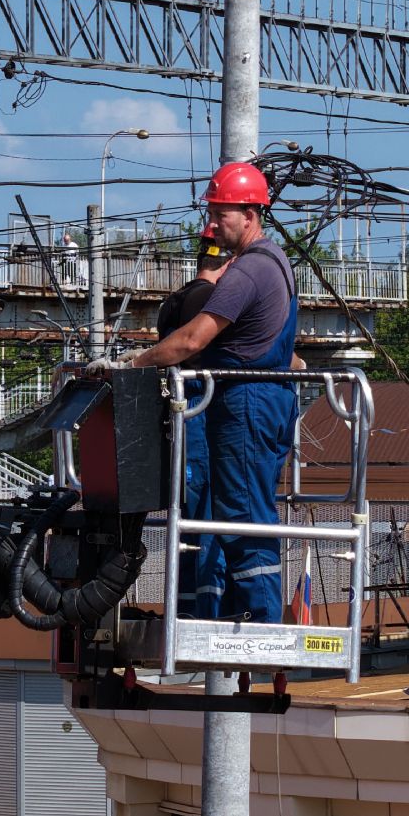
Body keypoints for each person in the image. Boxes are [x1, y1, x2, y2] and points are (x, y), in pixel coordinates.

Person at [127, 161, 298, 622]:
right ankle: (244, 612)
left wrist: (131, 365)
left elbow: (191, 340)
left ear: (250, 212)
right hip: (256, 401)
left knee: (242, 514)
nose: (214, 223)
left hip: (246, 403)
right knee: (238, 510)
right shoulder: (275, 263)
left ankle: (260, 620)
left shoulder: (246, 274)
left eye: (221, 213)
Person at [156, 222, 233, 617]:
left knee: (186, 517)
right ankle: (210, 609)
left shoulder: (175, 300)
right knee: (210, 517)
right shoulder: (210, 300)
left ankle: (185, 607)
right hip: (204, 414)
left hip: (181, 418)